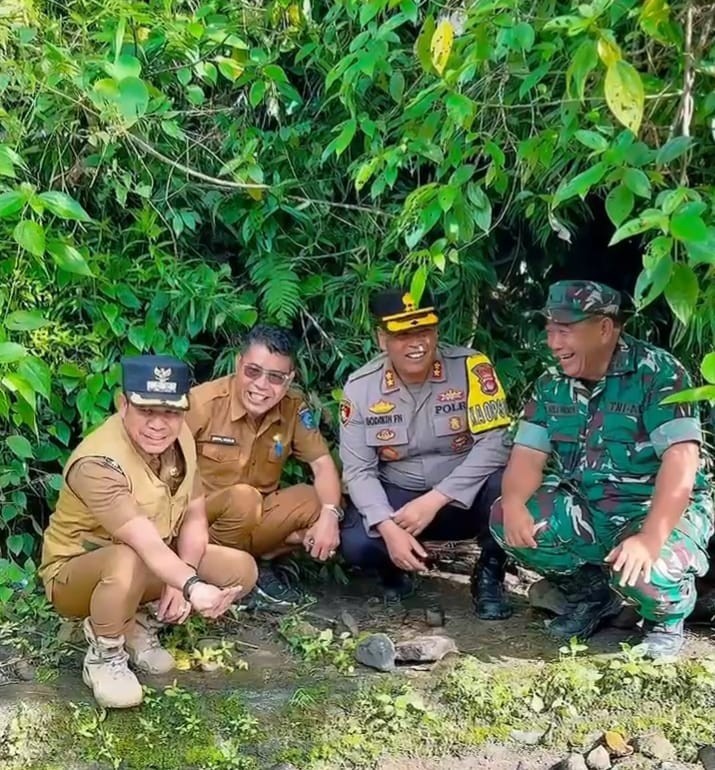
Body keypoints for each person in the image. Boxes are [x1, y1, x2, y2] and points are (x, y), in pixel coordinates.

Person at [490, 280, 714, 657]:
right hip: (589, 507)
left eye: (565, 330)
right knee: (505, 517)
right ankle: (594, 595)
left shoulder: (657, 373)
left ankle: (665, 621)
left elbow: (681, 460)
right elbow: (528, 454)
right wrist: (513, 503)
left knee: (648, 574)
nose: (553, 342)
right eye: (550, 330)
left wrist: (650, 538)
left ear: (604, 328)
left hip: (654, 510)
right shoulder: (551, 383)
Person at [40, 355, 257, 709]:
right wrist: (191, 585)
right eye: (146, 411)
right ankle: (105, 653)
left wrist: (182, 576)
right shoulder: (98, 462)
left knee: (240, 569)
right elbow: (143, 541)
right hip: (77, 575)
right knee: (128, 558)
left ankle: (136, 624)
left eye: (170, 412)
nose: (159, 424)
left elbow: (195, 513)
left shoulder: (181, 437)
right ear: (123, 404)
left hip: (149, 559)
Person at [339, 288, 512, 618]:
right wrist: (388, 528)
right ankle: (394, 571)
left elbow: (495, 443)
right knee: (357, 541)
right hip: (400, 502)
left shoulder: (472, 368)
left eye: (424, 331)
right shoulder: (360, 388)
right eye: (403, 334)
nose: (416, 343)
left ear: (436, 331)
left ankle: (490, 574)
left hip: (462, 498)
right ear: (382, 339)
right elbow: (359, 471)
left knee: (507, 485)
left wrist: (435, 499)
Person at [186, 325, 342, 606]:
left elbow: (322, 464)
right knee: (243, 499)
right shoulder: (203, 403)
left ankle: (255, 565)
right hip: (201, 523)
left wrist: (330, 515)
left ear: (289, 378)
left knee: (318, 500)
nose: (261, 385)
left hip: (256, 517)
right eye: (253, 371)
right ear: (238, 364)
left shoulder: (293, 406)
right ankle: (219, 572)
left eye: (275, 377)